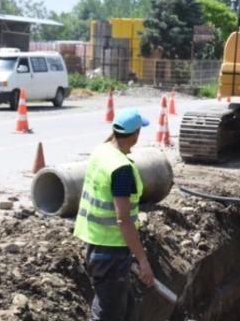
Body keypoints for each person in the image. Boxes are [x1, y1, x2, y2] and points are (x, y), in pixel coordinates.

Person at [74, 108, 157, 321]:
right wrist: (143, 260)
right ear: (136, 134)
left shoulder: (101, 151)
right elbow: (123, 219)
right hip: (111, 251)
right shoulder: (121, 169)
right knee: (108, 313)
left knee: (125, 308)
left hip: (97, 244)